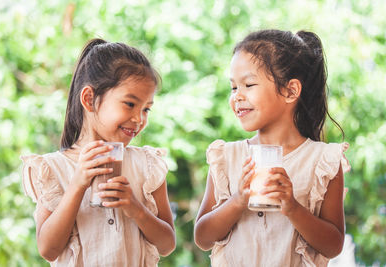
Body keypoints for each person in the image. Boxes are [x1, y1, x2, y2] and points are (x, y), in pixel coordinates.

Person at [194, 29, 350, 266]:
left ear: (290, 91)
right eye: (233, 87)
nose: (237, 96)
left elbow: (333, 245)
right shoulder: (226, 157)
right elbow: (202, 237)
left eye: (248, 84)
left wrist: (293, 208)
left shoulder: (323, 161)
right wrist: (238, 200)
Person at [21, 39, 176, 266]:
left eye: (146, 109)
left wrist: (135, 208)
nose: (139, 119)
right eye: (130, 104)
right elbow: (48, 249)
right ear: (89, 99)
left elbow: (167, 244)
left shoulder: (147, 165)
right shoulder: (53, 169)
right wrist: (77, 185)